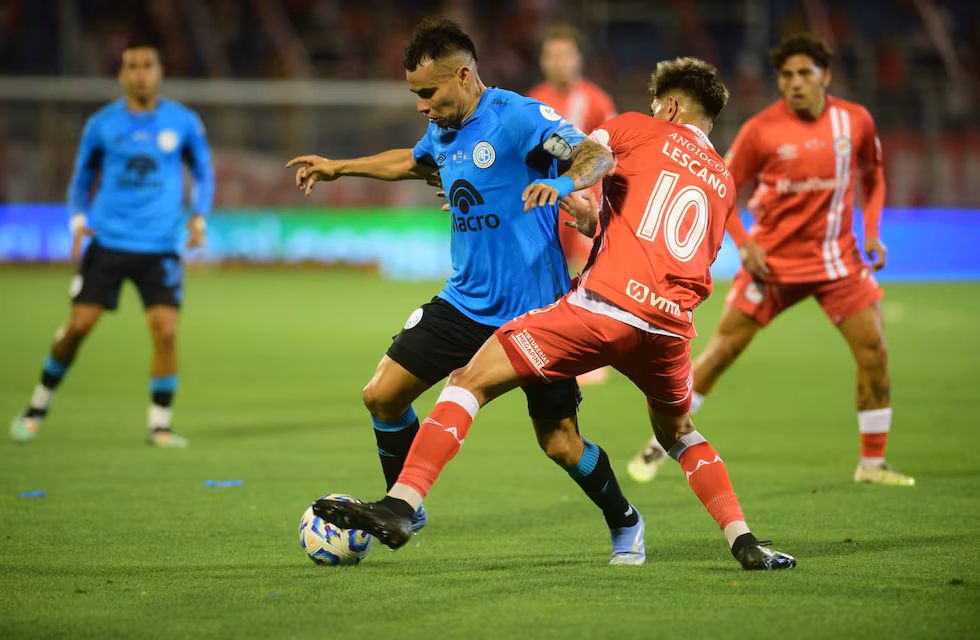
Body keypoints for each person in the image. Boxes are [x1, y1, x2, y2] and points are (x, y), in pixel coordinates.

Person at [313, 56, 797, 571]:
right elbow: (673, 247)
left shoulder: (636, 128)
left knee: (478, 388)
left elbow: (593, 156)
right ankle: (745, 541)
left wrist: (565, 187)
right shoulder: (722, 180)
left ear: (671, 107)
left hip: (598, 310)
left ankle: (402, 506)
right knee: (680, 434)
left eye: (657, 105)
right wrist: (588, 218)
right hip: (668, 328)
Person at [286, 18, 647, 565]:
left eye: (428, 92)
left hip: (536, 313)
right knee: (382, 395)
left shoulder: (517, 116)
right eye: (415, 93)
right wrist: (341, 168)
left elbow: (595, 157)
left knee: (561, 443)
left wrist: (561, 183)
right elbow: (414, 161)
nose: (421, 105)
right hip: (465, 302)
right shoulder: (444, 128)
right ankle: (406, 503)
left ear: (462, 75)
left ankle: (625, 520)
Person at [627, 33, 913, 487]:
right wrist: (744, 244)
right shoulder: (761, 130)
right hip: (772, 265)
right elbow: (721, 185)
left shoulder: (855, 121)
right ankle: (660, 443)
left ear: (825, 76)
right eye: (786, 75)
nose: (794, 82)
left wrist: (873, 232)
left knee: (874, 348)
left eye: (804, 73)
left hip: (837, 262)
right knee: (721, 352)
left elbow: (873, 174)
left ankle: (872, 464)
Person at [9, 42, 213, 448]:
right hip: (109, 241)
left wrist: (199, 215)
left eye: (148, 65)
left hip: (160, 246)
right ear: (121, 74)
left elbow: (204, 173)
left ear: (159, 72)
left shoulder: (183, 122)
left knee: (166, 331)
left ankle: (160, 425)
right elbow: (82, 177)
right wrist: (78, 219)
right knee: (78, 327)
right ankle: (38, 405)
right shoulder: (102, 124)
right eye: (132, 66)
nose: (141, 73)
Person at [529, 25, 617, 275]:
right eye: (552, 56)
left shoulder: (598, 102)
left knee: (585, 272)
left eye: (565, 55)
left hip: (585, 200)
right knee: (545, 276)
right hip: (544, 201)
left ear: (579, 59)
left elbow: (615, 155)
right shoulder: (531, 101)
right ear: (542, 60)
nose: (559, 63)